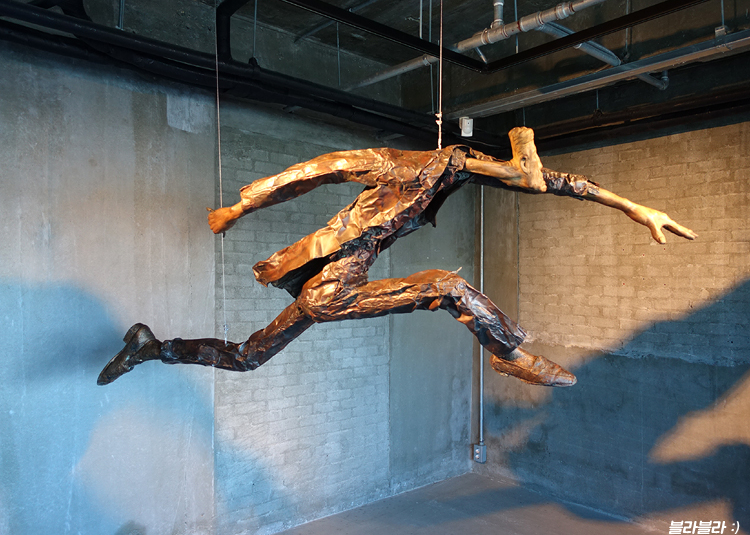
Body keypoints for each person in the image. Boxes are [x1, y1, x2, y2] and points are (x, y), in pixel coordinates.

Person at [98, 127, 696, 386]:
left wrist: (635, 207)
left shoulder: (456, 175)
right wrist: (241, 205)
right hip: (328, 277)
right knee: (447, 287)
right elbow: (319, 169)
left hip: (341, 278)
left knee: (250, 357)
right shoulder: (401, 166)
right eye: (514, 176)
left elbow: (560, 182)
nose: (513, 182)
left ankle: (153, 347)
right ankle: (512, 355)